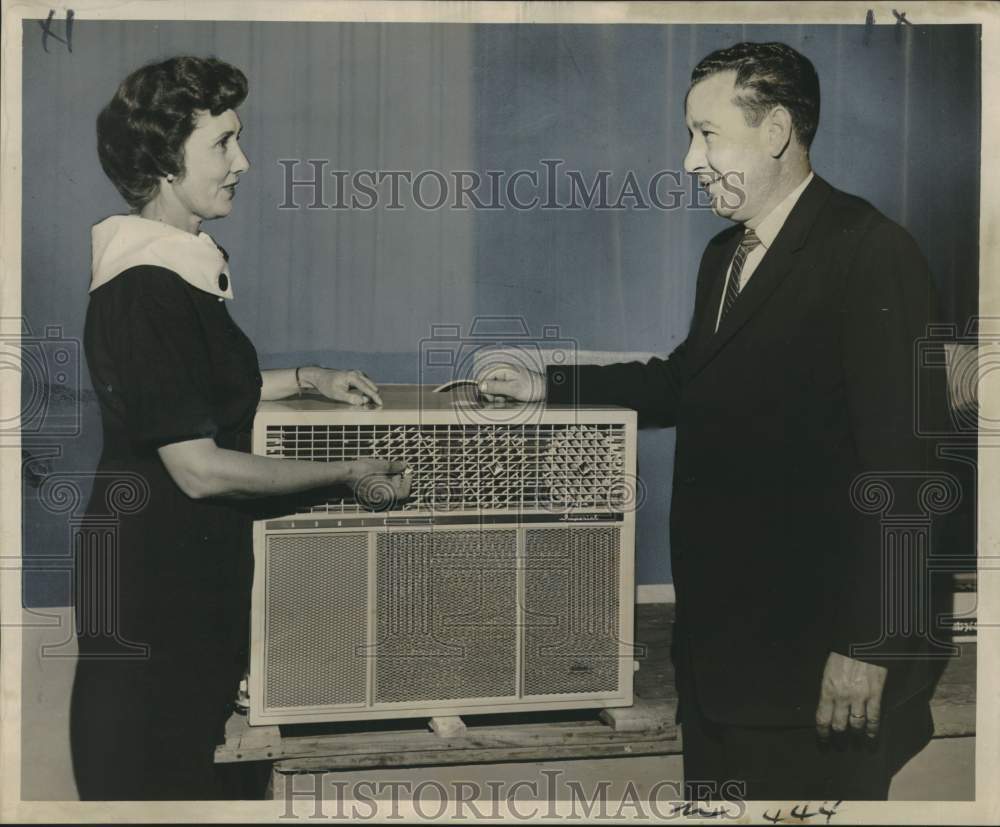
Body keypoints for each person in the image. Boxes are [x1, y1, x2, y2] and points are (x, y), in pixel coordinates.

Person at [481, 42, 952, 800]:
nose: (689, 159)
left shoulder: (870, 253)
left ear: (774, 133)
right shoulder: (725, 255)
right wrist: (549, 382)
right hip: (724, 671)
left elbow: (905, 472)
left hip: (819, 676)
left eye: (707, 133)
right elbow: (686, 378)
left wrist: (869, 645)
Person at [70, 56, 411, 801]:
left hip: (194, 592)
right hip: (151, 606)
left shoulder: (177, 268)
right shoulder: (140, 287)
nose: (243, 163)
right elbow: (199, 465)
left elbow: (198, 393)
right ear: (165, 160)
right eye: (223, 144)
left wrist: (307, 377)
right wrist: (349, 470)